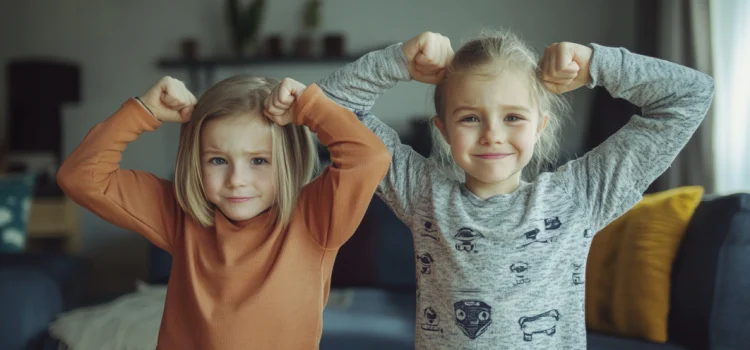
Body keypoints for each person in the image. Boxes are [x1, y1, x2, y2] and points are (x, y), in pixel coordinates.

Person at [316, 30, 714, 348]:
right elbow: (329, 105)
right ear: (443, 130)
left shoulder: (580, 195)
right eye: (470, 117)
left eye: (512, 117)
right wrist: (398, 62)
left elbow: (690, 94)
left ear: (540, 127)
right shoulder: (422, 193)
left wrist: (596, 64)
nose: (493, 135)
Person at [56, 75, 391, 349]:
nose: (236, 181)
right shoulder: (179, 213)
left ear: (288, 161)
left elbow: (370, 158)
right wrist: (143, 111)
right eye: (218, 160)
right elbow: (80, 178)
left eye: (258, 160)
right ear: (195, 161)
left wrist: (310, 107)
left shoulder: (316, 218)